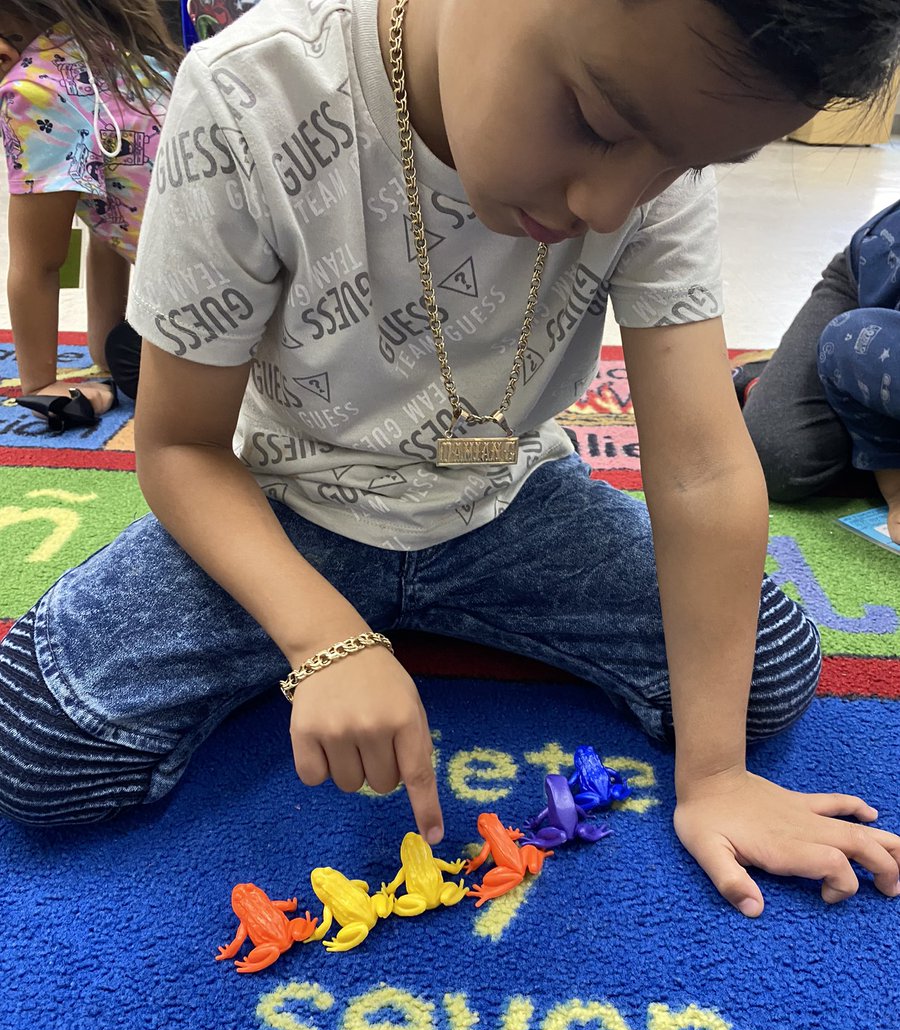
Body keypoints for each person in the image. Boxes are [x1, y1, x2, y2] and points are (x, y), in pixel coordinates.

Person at [2, 0, 900, 920]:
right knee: (42, 745)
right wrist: (325, 641)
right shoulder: (250, 89)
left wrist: (715, 776)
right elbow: (182, 445)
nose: (606, 203)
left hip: (506, 499)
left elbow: (703, 469)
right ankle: (376, 627)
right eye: (593, 122)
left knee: (768, 672)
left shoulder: (655, 144)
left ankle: (423, 621)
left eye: (683, 162)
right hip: (286, 500)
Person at [0, 1, 179, 430]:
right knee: (124, 352)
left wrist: (42, 385)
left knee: (142, 365)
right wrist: (103, 350)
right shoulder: (132, 52)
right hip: (283, 288)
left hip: (228, 316)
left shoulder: (34, 89)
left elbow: (39, 262)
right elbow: (111, 216)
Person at [738, 201, 900, 543]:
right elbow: (850, 343)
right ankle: (772, 376)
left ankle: (828, 384)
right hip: (867, 287)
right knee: (781, 456)